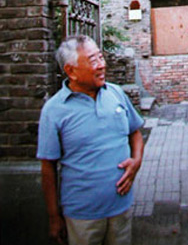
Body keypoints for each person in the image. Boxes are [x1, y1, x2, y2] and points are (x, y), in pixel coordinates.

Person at [37, 35, 144, 245]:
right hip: (82, 216)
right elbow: (48, 167)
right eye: (93, 60)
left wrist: (137, 161)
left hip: (121, 208)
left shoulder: (116, 93)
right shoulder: (54, 110)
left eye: (100, 57)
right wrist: (53, 217)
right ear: (71, 71)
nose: (101, 65)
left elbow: (135, 133)